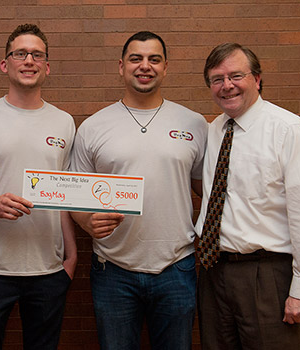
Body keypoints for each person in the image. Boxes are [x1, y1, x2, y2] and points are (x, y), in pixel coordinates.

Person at [70, 31, 207, 350]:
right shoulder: (93, 127)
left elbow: (208, 189)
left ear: (165, 67)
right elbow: (76, 196)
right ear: (121, 66)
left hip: (177, 267)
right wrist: (85, 222)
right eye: (136, 58)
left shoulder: (194, 124)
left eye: (154, 59)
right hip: (113, 271)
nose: (145, 66)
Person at [195, 42, 300, 349]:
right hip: (214, 274)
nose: (227, 85)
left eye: (236, 76)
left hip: (269, 276)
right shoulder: (215, 130)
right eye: (217, 79)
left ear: (257, 79)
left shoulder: (288, 130)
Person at [0, 24, 77, 350]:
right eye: (20, 53)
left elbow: (63, 193)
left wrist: (71, 257)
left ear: (47, 67)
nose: (28, 60)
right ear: (5, 64)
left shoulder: (64, 122)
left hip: (48, 271)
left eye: (37, 54)